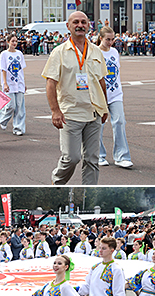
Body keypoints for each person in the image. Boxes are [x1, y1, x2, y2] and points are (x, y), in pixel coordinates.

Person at [42, 11, 108, 184]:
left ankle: (89, 193)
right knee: (71, 158)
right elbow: (50, 83)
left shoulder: (95, 51)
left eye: (84, 22)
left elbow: (101, 81)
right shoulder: (59, 52)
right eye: (76, 22)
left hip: (94, 113)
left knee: (92, 160)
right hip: (70, 114)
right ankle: (57, 183)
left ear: (88, 26)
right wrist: (55, 111)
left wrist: (105, 107)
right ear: (68, 26)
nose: (80, 25)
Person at [97, 29, 133, 169]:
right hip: (100, 94)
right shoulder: (94, 52)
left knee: (119, 122)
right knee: (98, 125)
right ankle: (98, 155)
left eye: (113, 39)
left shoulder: (114, 52)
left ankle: (122, 156)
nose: (111, 42)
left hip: (116, 93)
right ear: (100, 38)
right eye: (108, 39)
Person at [0, 32, 27, 136]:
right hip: (9, 83)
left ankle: (18, 127)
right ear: (8, 42)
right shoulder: (4, 54)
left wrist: (24, 83)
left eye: (16, 41)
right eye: (12, 41)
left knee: (19, 106)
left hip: (19, 83)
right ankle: (3, 118)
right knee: (11, 105)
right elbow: (3, 69)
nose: (14, 43)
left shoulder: (19, 54)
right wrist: (5, 83)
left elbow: (21, 70)